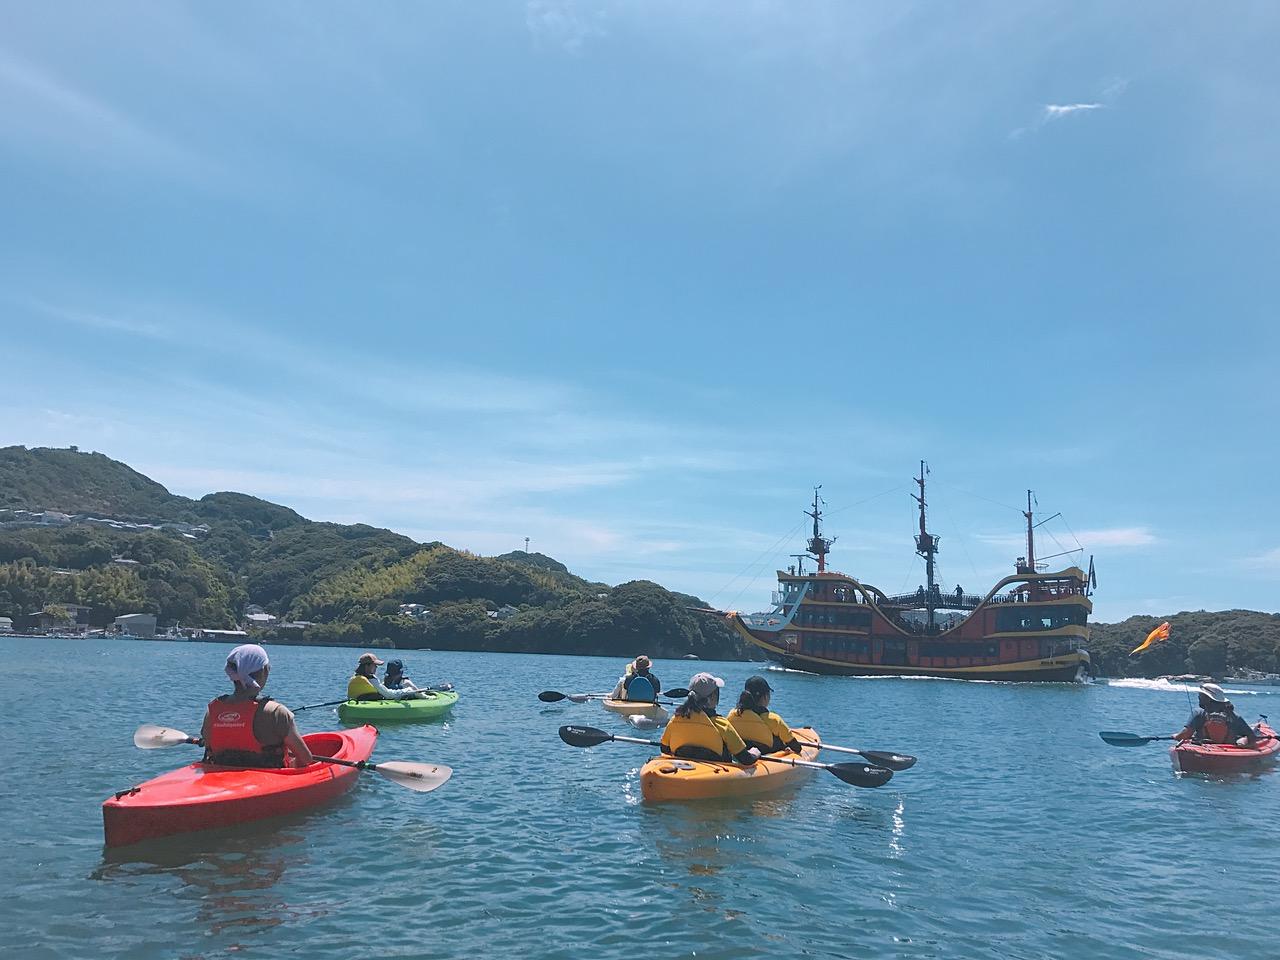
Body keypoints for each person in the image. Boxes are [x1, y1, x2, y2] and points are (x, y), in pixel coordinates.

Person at [201, 643, 314, 768]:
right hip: (268, 782)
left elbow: (209, 746)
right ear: (264, 670)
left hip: (221, 780)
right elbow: (305, 759)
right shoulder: (276, 712)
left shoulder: (212, 711)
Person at [660, 672, 760, 765]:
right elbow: (746, 759)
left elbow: (664, 748)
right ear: (712, 697)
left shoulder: (675, 719)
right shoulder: (721, 724)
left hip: (683, 770)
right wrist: (754, 753)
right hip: (714, 775)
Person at [727, 675, 804, 754]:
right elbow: (796, 747)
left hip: (742, 754)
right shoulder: (773, 719)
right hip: (767, 755)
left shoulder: (733, 715)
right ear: (765, 697)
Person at [1174, 683, 1258, 746]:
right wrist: (1243, 741)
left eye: (1201, 695)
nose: (1198, 697)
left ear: (1208, 698)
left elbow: (1186, 734)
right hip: (1228, 752)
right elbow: (1252, 738)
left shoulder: (1198, 713)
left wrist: (1176, 736)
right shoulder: (1235, 716)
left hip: (1202, 750)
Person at [347, 652, 422, 701]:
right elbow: (389, 695)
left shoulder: (356, 677)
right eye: (375, 665)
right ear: (367, 666)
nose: (376, 667)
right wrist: (407, 690)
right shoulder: (371, 680)